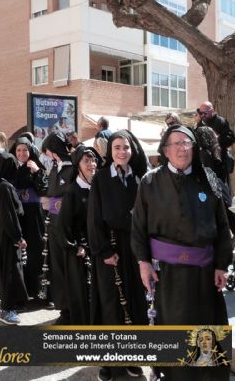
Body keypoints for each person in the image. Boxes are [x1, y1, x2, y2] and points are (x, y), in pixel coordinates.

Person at [131, 124, 232, 381]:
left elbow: (223, 225)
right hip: (167, 274)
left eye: (186, 143)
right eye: (175, 143)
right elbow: (139, 227)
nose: (182, 148)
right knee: (174, 330)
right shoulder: (150, 181)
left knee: (204, 331)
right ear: (165, 150)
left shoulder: (207, 178)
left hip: (204, 273)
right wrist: (143, 263)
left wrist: (222, 264)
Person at [89, 129, 148, 381]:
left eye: (126, 147)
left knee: (136, 301)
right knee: (110, 303)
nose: (122, 152)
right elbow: (94, 218)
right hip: (110, 247)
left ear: (132, 149)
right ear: (110, 152)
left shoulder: (141, 179)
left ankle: (133, 358)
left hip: (134, 248)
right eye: (117, 148)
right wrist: (104, 250)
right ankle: (109, 362)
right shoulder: (101, 178)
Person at [59, 145, 100, 325]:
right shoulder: (71, 191)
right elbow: (63, 225)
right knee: (82, 291)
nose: (91, 164)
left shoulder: (96, 186)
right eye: (86, 161)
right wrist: (76, 246)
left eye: (93, 160)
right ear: (78, 165)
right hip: (80, 250)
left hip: (96, 247)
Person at [0, 153, 28, 325]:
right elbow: (9, 216)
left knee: (8, 268)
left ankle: (9, 304)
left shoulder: (1, 184)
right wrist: (18, 237)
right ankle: (7, 309)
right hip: (8, 234)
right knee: (9, 270)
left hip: (4, 232)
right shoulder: (5, 187)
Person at [41, 131, 74, 320]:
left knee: (67, 268)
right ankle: (63, 307)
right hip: (53, 223)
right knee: (57, 267)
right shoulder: (55, 168)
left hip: (66, 224)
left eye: (47, 151)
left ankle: (70, 309)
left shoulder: (71, 169)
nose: (46, 155)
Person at [10, 137, 48, 299]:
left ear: (30, 151)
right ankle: (21, 290)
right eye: (18, 150)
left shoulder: (36, 166)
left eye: (25, 150)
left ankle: (38, 290)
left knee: (36, 250)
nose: (21, 153)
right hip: (17, 215)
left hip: (34, 215)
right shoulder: (10, 168)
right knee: (19, 251)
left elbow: (45, 189)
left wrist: (37, 172)